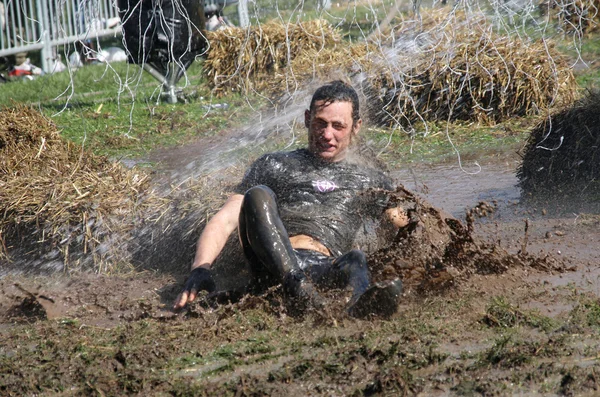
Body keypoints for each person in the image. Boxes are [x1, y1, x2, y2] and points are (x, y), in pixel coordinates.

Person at [173, 80, 408, 317]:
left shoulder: (371, 180)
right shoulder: (275, 164)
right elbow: (225, 219)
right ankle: (297, 288)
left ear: (356, 127)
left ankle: (363, 302)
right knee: (257, 194)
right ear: (307, 119)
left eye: (338, 126)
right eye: (320, 123)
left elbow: (399, 224)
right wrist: (200, 268)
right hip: (271, 267)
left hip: (324, 270)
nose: (327, 134)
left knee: (356, 258)